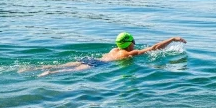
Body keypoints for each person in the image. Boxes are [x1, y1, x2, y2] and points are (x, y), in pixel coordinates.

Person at [37, 32, 186, 76]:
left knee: (66, 65)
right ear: (129, 43)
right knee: (67, 71)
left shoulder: (114, 50)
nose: (135, 42)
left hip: (90, 59)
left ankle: (33, 68)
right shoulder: (128, 54)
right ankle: (49, 73)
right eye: (133, 40)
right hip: (98, 65)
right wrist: (172, 38)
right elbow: (154, 48)